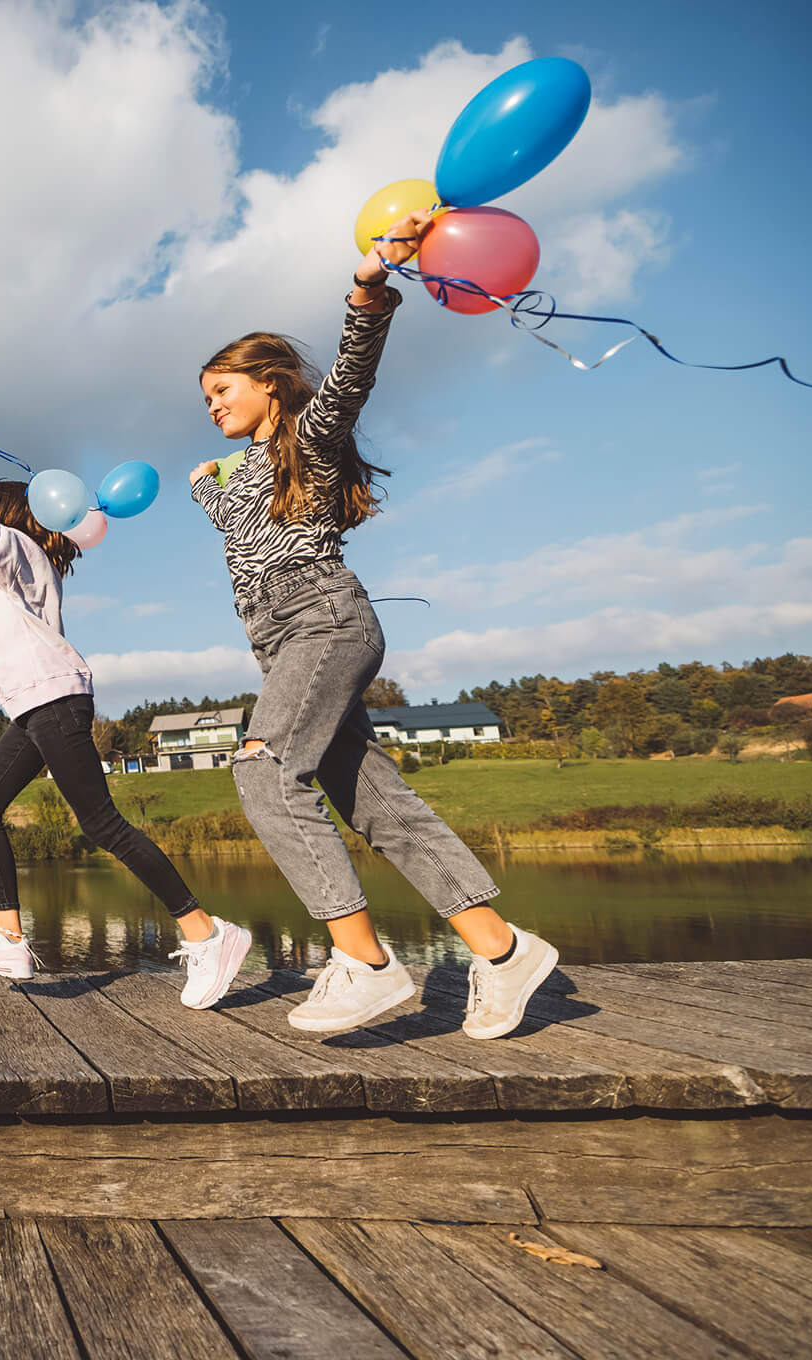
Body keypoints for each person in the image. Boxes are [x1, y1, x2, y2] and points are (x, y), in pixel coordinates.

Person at [186, 209, 555, 1038]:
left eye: (222, 390)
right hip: (284, 644)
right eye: (205, 397)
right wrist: (202, 484)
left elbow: (352, 372)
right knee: (377, 805)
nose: (211, 406)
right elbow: (230, 522)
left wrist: (369, 287)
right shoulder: (243, 479)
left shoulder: (311, 441)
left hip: (324, 621)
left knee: (264, 770)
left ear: (269, 383)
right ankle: (502, 953)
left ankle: (367, 964)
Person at [0, 423, 249, 1004]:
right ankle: (9, 936)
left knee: (103, 824)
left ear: (5, 520)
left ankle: (208, 932)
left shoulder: (18, 551)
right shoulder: (15, 563)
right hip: (32, 706)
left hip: (53, 700)